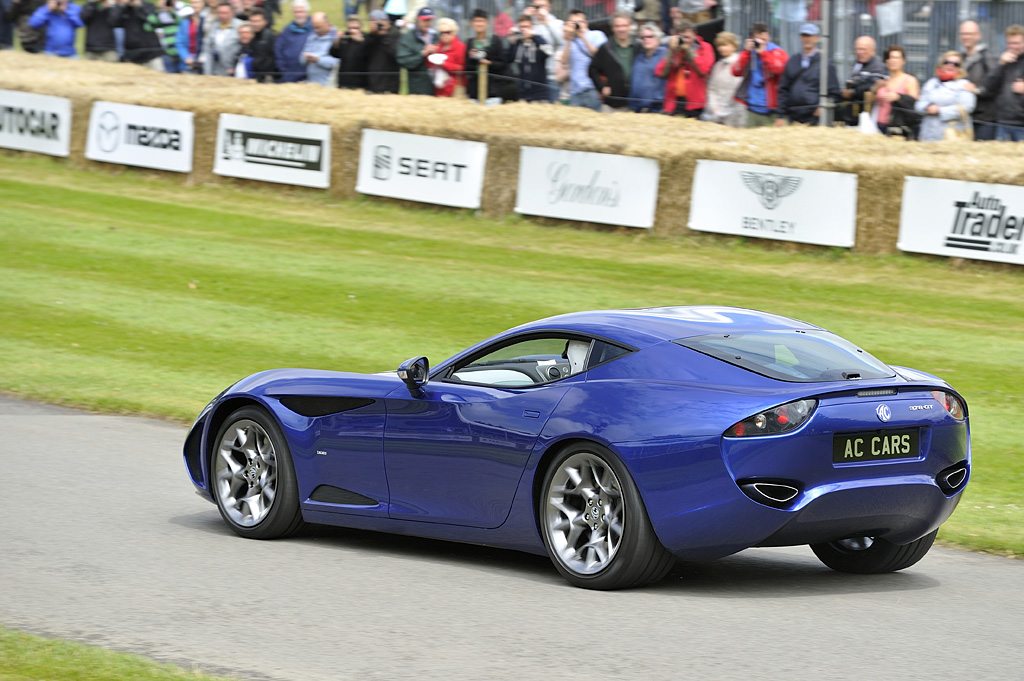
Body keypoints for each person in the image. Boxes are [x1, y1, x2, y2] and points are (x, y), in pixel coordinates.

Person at [775, 22, 839, 126]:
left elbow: (834, 92)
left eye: (810, 36)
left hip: (815, 118)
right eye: (804, 35)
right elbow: (783, 89)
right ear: (800, 38)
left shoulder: (825, 63)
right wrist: (780, 115)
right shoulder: (792, 61)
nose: (807, 39)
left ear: (817, 38)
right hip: (794, 117)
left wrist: (822, 108)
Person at [731, 21, 787, 126]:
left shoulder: (777, 51)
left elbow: (778, 69)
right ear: (752, 39)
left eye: (765, 40)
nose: (762, 43)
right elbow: (735, 71)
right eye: (759, 40)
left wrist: (763, 53)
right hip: (753, 108)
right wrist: (746, 52)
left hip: (772, 109)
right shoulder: (748, 53)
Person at [656, 18, 713, 117]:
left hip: (695, 103)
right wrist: (671, 51)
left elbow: (703, 69)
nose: (684, 40)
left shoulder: (705, 47)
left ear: (695, 35)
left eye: (687, 37)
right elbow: (660, 73)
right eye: (682, 37)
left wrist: (688, 50)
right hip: (674, 103)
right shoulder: (673, 49)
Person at [915, 51, 976, 142]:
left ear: (959, 68)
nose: (950, 65)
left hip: (952, 136)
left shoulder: (964, 84)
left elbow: (967, 107)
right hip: (928, 134)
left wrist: (940, 111)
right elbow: (919, 104)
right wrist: (927, 107)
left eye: (955, 64)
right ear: (941, 64)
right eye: (947, 62)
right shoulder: (931, 83)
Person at [982, 24, 1024, 142]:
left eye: (1016, 43)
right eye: (1009, 43)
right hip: (1003, 122)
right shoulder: (1004, 61)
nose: (1012, 47)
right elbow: (987, 86)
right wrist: (1000, 64)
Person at [588, 11, 636, 112]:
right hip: (611, 105)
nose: (621, 29)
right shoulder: (606, 48)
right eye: (617, 26)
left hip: (633, 104)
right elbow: (592, 69)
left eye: (624, 25)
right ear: (612, 28)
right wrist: (602, 87)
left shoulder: (638, 46)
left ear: (630, 27)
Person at [959, 20, 998, 141]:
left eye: (970, 34)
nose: (966, 37)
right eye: (963, 34)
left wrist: (977, 90)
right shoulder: (960, 58)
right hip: (965, 119)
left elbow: (995, 84)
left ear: (978, 35)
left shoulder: (987, 57)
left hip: (984, 119)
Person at [870, 44, 920, 137]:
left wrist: (899, 97)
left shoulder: (909, 80)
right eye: (890, 58)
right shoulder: (883, 82)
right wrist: (874, 89)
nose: (893, 60)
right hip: (879, 127)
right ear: (886, 61)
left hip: (898, 129)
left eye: (897, 58)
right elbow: (869, 103)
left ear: (903, 61)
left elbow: (914, 104)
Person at [563, 8, 606, 111]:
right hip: (575, 91)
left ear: (585, 23)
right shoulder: (570, 39)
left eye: (579, 22)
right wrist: (568, 40)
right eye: (573, 22)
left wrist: (582, 37)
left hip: (593, 89)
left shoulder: (596, 35)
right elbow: (563, 61)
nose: (576, 25)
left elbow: (600, 55)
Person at [839, 35, 887, 125]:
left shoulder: (878, 67)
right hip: (855, 114)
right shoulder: (858, 64)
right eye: (857, 49)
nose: (859, 52)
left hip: (869, 116)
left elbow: (873, 85)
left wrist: (853, 91)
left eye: (863, 49)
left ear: (873, 51)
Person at [464, 8, 507, 104]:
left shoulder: (496, 41)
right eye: (476, 21)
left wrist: (489, 63)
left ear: (487, 23)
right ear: (472, 24)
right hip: (474, 93)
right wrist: (472, 58)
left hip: (492, 93)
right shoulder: (470, 42)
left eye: (482, 21)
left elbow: (503, 64)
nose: (479, 24)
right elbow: (466, 68)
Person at [702, 30, 745, 126]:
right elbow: (712, 88)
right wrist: (714, 107)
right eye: (720, 45)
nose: (722, 48)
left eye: (725, 45)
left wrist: (730, 108)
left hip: (735, 113)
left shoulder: (740, 63)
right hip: (717, 113)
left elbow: (740, 90)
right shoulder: (718, 66)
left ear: (733, 46)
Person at [506, 13, 550, 102]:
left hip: (540, 95)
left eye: (526, 27)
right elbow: (507, 59)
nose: (524, 29)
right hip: (523, 94)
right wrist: (511, 41)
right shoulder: (517, 44)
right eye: (521, 27)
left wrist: (534, 36)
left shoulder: (539, 41)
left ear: (532, 28)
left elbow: (548, 52)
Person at [524, 0, 562, 101]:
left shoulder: (557, 23)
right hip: (531, 77)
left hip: (551, 76)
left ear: (549, 7)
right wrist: (524, 18)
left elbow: (561, 41)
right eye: (536, 6)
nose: (539, 9)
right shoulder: (530, 24)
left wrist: (546, 22)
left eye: (542, 6)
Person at [396, 6, 437, 96]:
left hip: (437, 88)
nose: (427, 23)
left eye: (429, 20)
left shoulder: (435, 36)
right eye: (425, 20)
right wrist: (423, 53)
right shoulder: (408, 37)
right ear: (417, 20)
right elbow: (403, 61)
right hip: (417, 89)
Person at [117, 0, 165, 70]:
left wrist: (138, 6)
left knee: (159, 76)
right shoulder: (123, 9)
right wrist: (121, 6)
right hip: (132, 54)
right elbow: (113, 22)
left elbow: (150, 20)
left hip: (152, 53)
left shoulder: (148, 5)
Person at [628, 22, 665, 112]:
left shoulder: (665, 55)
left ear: (658, 38)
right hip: (637, 108)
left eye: (650, 36)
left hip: (657, 108)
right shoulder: (638, 57)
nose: (646, 39)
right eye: (643, 37)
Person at [364, 9, 400, 94]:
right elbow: (363, 54)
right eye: (372, 21)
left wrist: (385, 36)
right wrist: (372, 35)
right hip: (372, 82)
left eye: (378, 22)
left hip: (390, 84)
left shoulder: (395, 33)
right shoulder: (371, 36)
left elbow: (395, 53)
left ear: (386, 21)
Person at [274, 0, 310, 82]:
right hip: (290, 75)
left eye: (301, 11)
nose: (298, 15)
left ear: (307, 12)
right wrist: (283, 69)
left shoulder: (314, 27)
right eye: (296, 12)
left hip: (308, 75)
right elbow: (279, 49)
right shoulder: (287, 29)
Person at [201, 0, 241, 74]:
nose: (222, 15)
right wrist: (207, 73)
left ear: (232, 13)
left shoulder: (240, 26)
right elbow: (208, 49)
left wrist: (236, 67)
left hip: (233, 71)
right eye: (220, 13)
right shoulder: (213, 26)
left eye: (225, 13)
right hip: (217, 71)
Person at [329, 14, 366, 90]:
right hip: (344, 82)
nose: (353, 31)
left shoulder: (366, 38)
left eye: (356, 28)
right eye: (350, 28)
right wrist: (336, 41)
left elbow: (370, 53)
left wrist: (361, 42)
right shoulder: (345, 40)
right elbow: (333, 54)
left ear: (361, 27)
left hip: (361, 83)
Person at [430, 17, 464, 97]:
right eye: (441, 33)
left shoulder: (461, 47)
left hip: (454, 91)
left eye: (448, 32)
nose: (444, 35)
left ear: (454, 32)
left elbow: (463, 69)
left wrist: (444, 64)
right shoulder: (437, 47)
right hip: (439, 90)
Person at [301, 11, 336, 86]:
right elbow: (301, 60)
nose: (316, 30)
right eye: (314, 27)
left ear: (327, 24)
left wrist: (318, 60)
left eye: (318, 27)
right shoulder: (312, 36)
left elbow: (336, 62)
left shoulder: (335, 38)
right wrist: (305, 57)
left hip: (327, 85)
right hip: (311, 84)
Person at [146, 0, 181, 72]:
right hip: (167, 52)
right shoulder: (159, 13)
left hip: (182, 52)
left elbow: (181, 21)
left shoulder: (181, 8)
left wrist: (172, 10)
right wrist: (158, 9)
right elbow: (148, 27)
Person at [245, 7, 275, 80]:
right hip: (255, 75)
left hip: (267, 77)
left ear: (265, 22)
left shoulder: (270, 36)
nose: (255, 24)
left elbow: (274, 57)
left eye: (257, 21)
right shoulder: (252, 37)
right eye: (252, 21)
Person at [176, 0, 204, 72]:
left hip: (203, 61)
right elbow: (180, 42)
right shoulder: (185, 21)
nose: (194, 5)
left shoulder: (207, 20)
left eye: (197, 2)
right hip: (188, 60)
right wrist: (186, 57)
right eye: (192, 3)